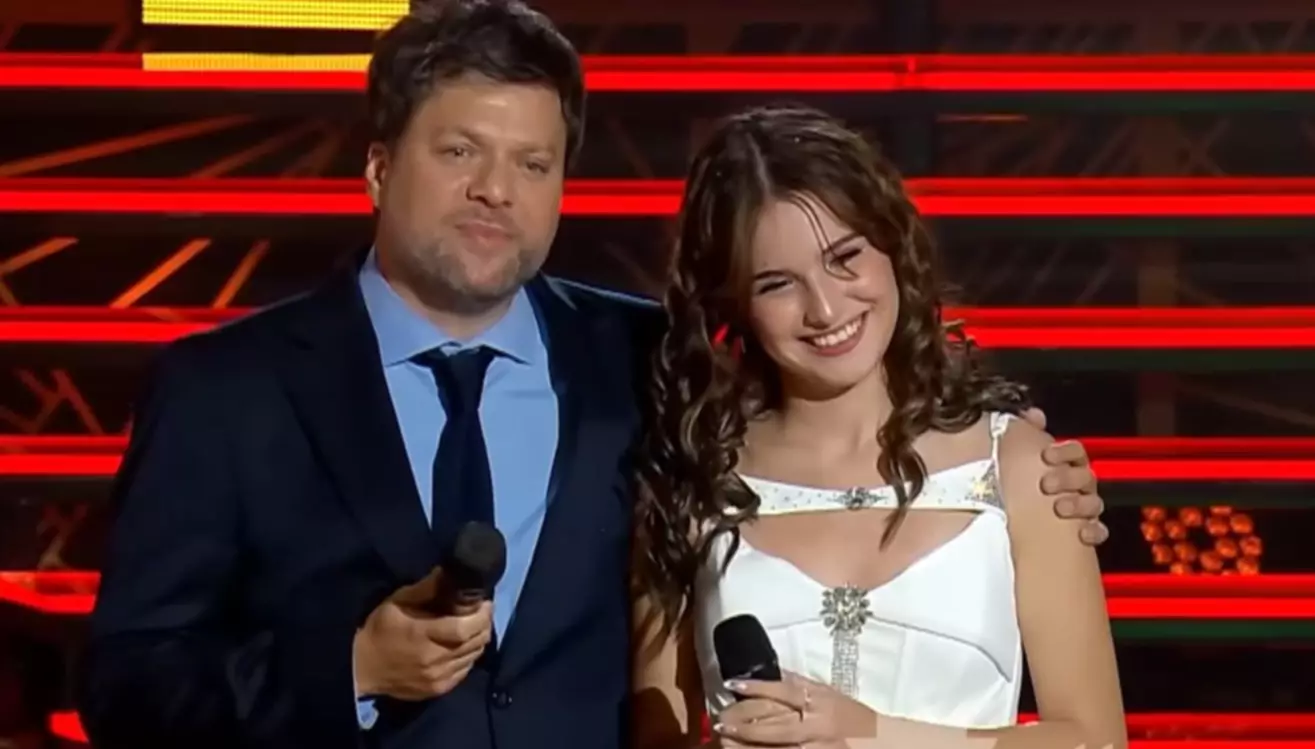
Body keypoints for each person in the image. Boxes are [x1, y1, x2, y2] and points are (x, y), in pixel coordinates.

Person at [78, 3, 1109, 749]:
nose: (496, 190)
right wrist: (348, 668)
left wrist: (1030, 467)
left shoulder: (648, 364)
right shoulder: (225, 392)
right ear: (380, 165)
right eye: (461, 152)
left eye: (532, 163)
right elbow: (127, 686)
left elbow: (840, 395)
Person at [630, 105, 1126, 749]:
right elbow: (656, 736)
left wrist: (870, 735)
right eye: (778, 284)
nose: (825, 308)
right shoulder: (691, 480)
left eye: (845, 257)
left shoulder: (1022, 468)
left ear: (893, 245)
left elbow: (1096, 740)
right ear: (734, 305)